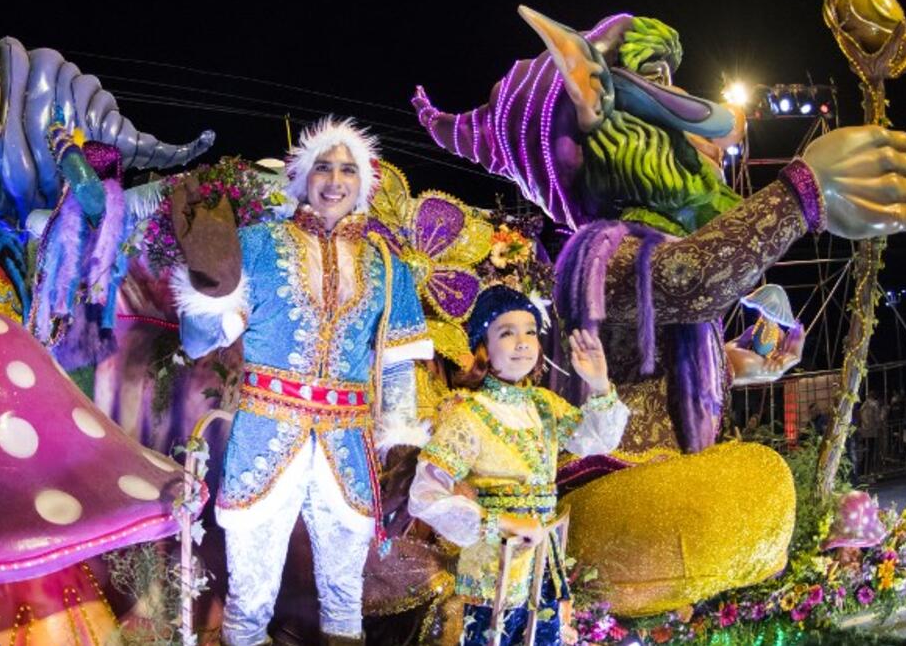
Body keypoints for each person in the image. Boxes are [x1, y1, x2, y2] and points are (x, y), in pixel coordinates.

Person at [172, 117, 433, 645]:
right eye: (323, 167)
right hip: (266, 433)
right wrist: (210, 283)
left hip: (348, 446)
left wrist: (400, 438)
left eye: (347, 170)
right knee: (250, 596)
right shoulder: (257, 245)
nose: (335, 181)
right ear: (302, 177)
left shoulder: (389, 266)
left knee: (344, 597)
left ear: (363, 183)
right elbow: (199, 339)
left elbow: (399, 363)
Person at [408, 286, 629, 645]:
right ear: (483, 347)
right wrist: (501, 522)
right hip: (492, 571)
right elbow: (425, 496)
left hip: (544, 565)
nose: (522, 342)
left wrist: (600, 384)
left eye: (530, 331)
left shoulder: (544, 405)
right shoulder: (468, 415)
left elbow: (597, 440)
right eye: (506, 333)